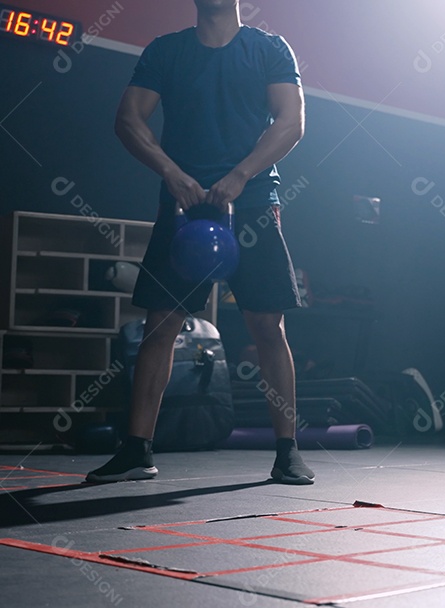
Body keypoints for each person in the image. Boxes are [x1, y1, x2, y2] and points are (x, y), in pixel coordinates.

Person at [87, 0, 313, 485]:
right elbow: (128, 119)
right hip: (184, 205)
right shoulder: (166, 51)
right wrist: (172, 173)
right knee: (160, 325)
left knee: (267, 325)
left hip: (249, 203)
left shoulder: (269, 49)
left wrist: (239, 176)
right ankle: (137, 450)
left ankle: (287, 451)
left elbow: (291, 122)